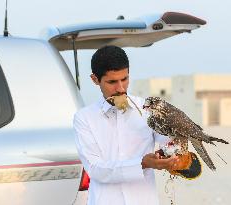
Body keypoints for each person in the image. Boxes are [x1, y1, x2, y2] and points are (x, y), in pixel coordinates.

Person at [73, 45, 179, 205]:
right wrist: (142, 163)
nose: (121, 88)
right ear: (95, 79)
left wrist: (173, 151)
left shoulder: (147, 109)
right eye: (112, 82)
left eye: (125, 79)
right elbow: (95, 170)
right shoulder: (84, 118)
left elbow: (170, 142)